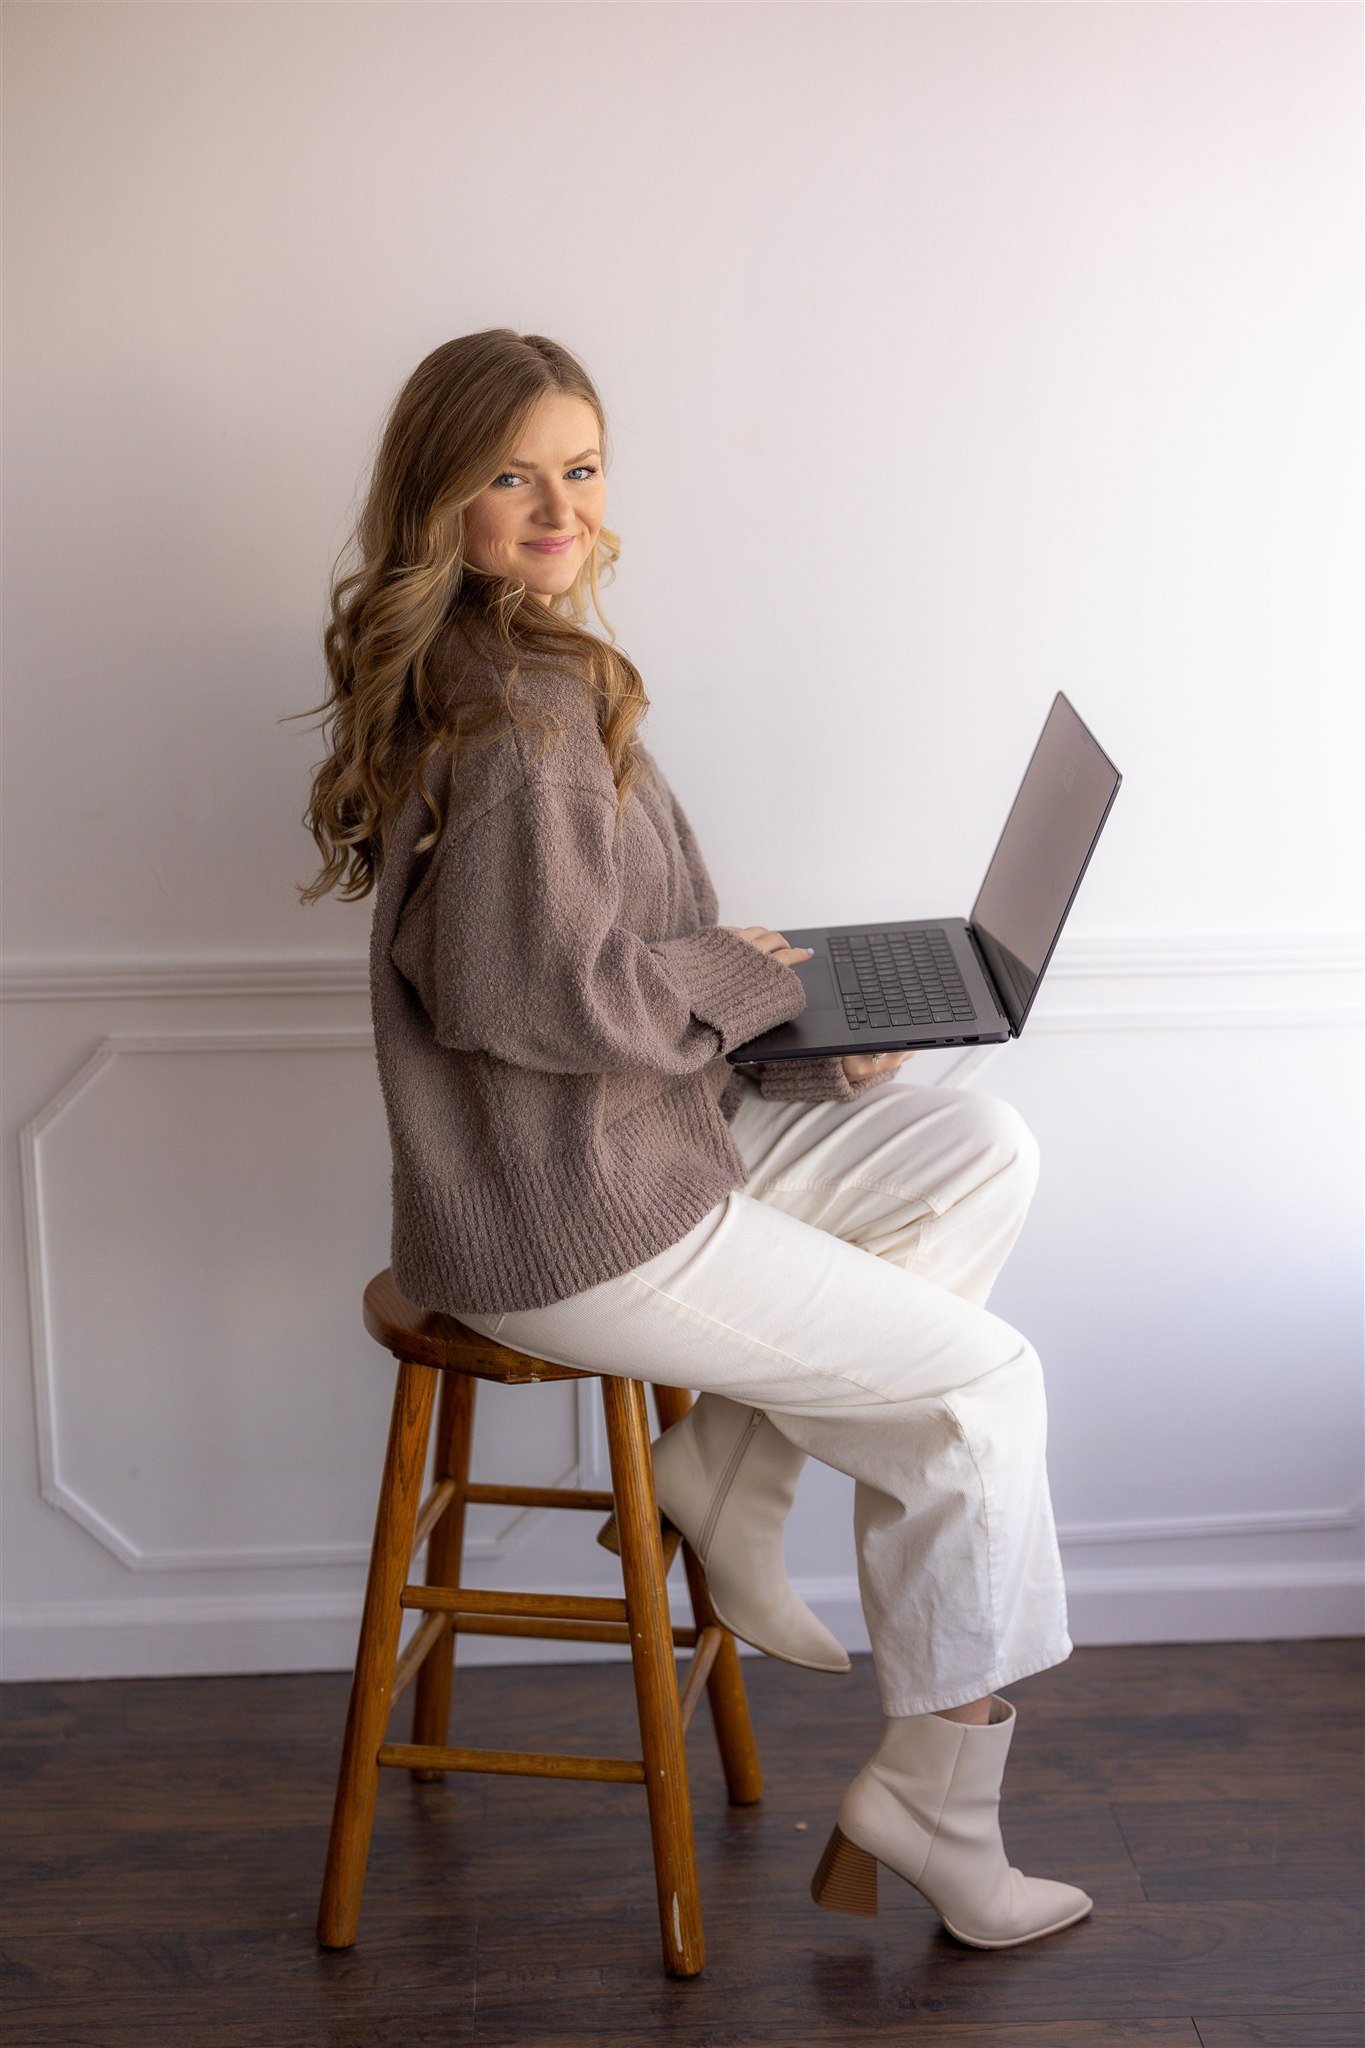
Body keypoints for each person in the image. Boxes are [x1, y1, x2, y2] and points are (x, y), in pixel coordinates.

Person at [294, 328, 1092, 1951]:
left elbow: (596, 990)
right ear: (438, 496)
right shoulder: (518, 724)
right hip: (573, 1222)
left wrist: (787, 1036)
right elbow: (545, 993)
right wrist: (744, 980)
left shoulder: (529, 668)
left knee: (973, 1145)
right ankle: (933, 1803)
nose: (552, 503)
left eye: (576, 468)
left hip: (625, 1155)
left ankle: (725, 1465)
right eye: (508, 474)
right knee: (980, 1390)